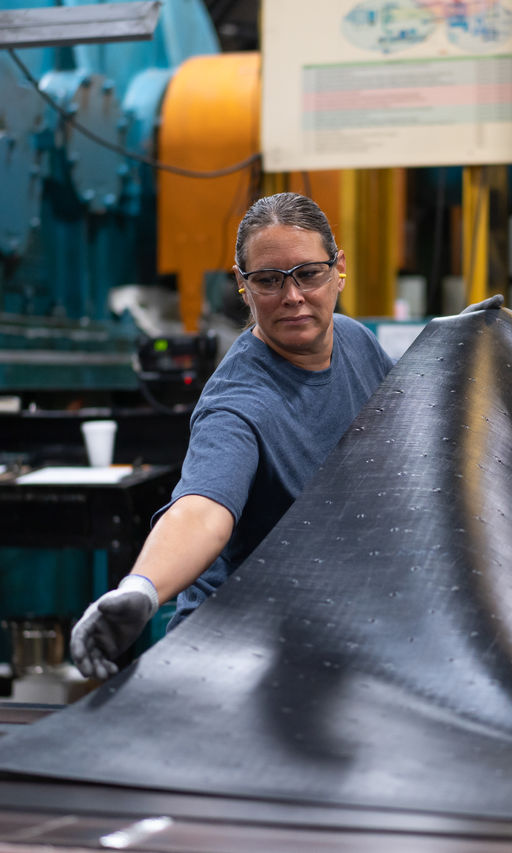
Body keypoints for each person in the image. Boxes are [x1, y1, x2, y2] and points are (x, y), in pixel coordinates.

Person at [71, 192, 395, 680]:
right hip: (231, 653)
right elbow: (203, 511)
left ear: (338, 269)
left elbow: (412, 424)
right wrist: (142, 588)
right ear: (243, 285)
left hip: (321, 626)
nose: (292, 297)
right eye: (268, 280)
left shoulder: (357, 342)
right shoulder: (237, 402)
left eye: (308, 274)